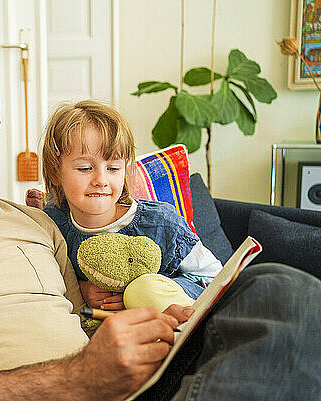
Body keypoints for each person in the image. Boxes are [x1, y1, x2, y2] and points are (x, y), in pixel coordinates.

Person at [0, 54, 321, 400]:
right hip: (61, 389)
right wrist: (76, 381)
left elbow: (86, 316)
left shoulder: (34, 222)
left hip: (131, 386)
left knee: (282, 289)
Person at [40, 100, 222, 318]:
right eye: (85, 168)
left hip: (185, 307)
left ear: (125, 171)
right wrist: (80, 288)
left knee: (141, 290)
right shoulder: (52, 224)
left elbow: (215, 277)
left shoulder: (159, 222)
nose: (101, 180)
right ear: (55, 172)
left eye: (113, 168)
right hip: (112, 331)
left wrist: (138, 298)